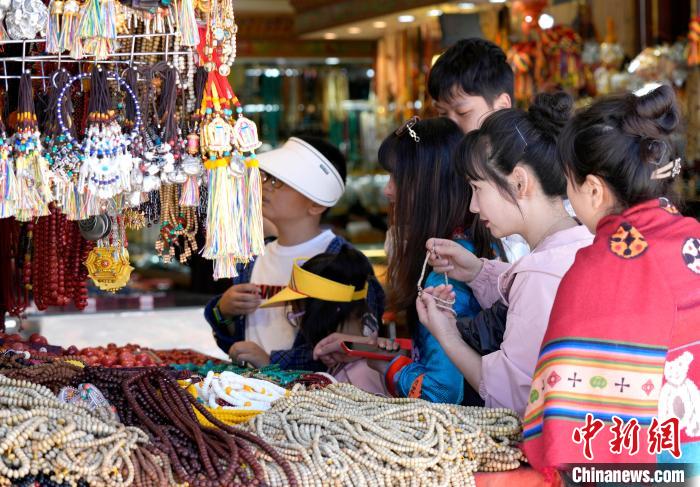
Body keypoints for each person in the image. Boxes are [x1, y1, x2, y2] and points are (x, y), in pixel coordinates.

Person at [519, 85, 700, 472]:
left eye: (569, 183)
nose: (568, 197)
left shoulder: (599, 267)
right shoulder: (693, 239)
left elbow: (561, 430)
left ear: (594, 190)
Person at [416, 93, 594, 416]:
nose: (473, 206)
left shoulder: (539, 275)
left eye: (477, 188)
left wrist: (447, 335)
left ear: (519, 182)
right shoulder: (583, 242)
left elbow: (512, 398)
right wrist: (476, 272)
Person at [315, 117, 501, 404]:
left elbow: (442, 391)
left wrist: (389, 367)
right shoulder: (463, 248)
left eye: (397, 177)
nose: (388, 190)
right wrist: (370, 349)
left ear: (428, 184)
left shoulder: (445, 272)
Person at [203, 136, 384, 370]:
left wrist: (272, 363)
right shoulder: (253, 259)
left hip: (314, 392)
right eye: (268, 177)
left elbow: (357, 345)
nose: (268, 186)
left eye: (282, 182)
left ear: (316, 204)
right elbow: (236, 342)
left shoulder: (345, 262)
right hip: (253, 389)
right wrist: (222, 311)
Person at [428, 37, 529, 261]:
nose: (451, 125)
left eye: (463, 113)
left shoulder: (535, 168)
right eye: (443, 114)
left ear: (502, 106)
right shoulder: (445, 168)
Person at [261, 246, 386, 394]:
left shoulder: (358, 377)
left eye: (297, 315)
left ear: (326, 312)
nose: (299, 325)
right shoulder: (346, 363)